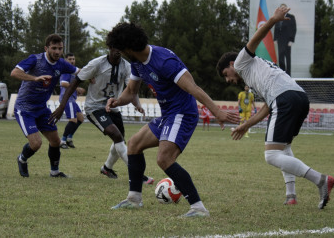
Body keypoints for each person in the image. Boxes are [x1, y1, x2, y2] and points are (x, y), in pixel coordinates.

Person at [98, 22, 238, 217]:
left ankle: (198, 208)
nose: (120, 53)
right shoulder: (137, 62)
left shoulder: (164, 61)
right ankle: (134, 199)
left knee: (164, 159)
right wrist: (116, 102)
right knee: (134, 144)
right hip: (168, 114)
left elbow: (193, 88)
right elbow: (131, 92)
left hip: (182, 113)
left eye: (120, 50)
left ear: (128, 48)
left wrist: (217, 111)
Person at [216, 6, 334, 209]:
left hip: (285, 99)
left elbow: (254, 39)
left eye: (226, 74)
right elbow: (267, 108)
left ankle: (321, 180)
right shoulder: (254, 74)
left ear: (230, 64)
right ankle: (291, 195)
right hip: (299, 98)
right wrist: (246, 125)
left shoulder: (241, 63)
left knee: (271, 155)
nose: (228, 80)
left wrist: (272, 20)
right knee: (283, 147)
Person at [50, 47, 154, 184]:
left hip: (113, 108)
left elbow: (131, 90)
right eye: (114, 47)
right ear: (109, 47)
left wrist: (137, 104)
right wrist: (62, 105)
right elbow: (76, 81)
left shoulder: (127, 67)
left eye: (120, 47)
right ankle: (138, 175)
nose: (118, 50)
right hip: (95, 108)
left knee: (119, 140)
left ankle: (107, 168)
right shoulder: (97, 63)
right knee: (117, 136)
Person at [11, 34, 77, 178]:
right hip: (24, 108)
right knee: (36, 144)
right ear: (46, 48)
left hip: (41, 109)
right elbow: (15, 72)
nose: (57, 52)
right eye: (54, 48)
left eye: (60, 48)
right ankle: (22, 159)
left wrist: (92, 76)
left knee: (56, 141)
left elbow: (79, 72)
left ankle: (54, 172)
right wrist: (34, 78)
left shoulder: (62, 64)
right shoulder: (35, 59)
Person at [59, 53, 85, 149]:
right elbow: (63, 83)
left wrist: (76, 91)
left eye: (73, 59)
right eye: (70, 59)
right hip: (66, 99)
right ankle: (62, 141)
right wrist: (77, 89)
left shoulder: (73, 71)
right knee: (73, 120)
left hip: (72, 98)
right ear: (66, 60)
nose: (72, 61)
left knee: (81, 118)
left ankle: (69, 138)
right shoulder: (66, 70)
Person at [273, 4, 296, 76]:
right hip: (280, 40)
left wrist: (291, 40)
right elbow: (276, 28)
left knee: (287, 57)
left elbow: (294, 29)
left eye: (284, 7)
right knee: (281, 57)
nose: (283, 9)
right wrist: (275, 39)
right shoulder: (278, 17)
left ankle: (288, 74)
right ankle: (282, 73)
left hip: (287, 40)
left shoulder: (291, 17)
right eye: (281, 8)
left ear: (286, 8)